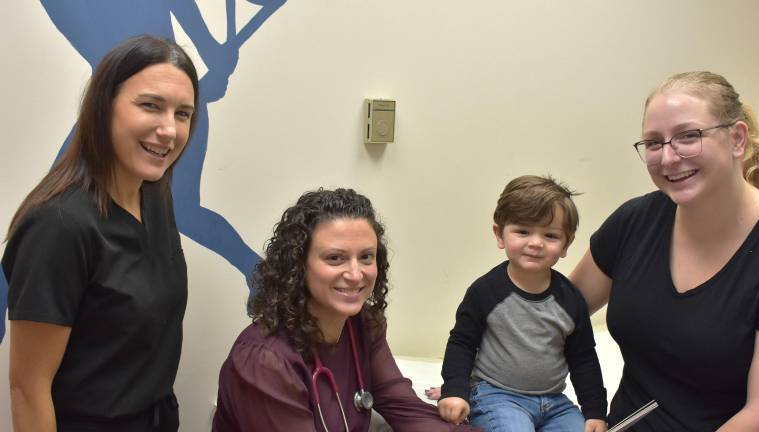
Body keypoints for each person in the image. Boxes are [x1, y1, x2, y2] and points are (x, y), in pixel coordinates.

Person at [3, 35, 198, 431]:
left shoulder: (154, 196)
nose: (169, 130)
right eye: (150, 105)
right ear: (103, 107)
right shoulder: (58, 226)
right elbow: (28, 388)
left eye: (183, 114)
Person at [569, 71, 759, 431]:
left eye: (689, 136)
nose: (668, 158)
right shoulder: (635, 221)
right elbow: (552, 316)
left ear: (737, 139)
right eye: (653, 143)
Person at [212, 188, 482, 432]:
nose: (355, 274)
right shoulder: (265, 361)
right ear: (298, 265)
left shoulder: (363, 325)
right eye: (335, 258)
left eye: (366, 257)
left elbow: (405, 409)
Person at [438, 175, 608, 432]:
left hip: (555, 403)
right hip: (496, 395)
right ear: (500, 234)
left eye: (550, 235)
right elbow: (462, 343)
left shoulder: (570, 300)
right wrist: (454, 391)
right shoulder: (485, 292)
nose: (536, 243)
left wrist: (595, 412)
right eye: (523, 231)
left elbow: (583, 358)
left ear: (566, 243)